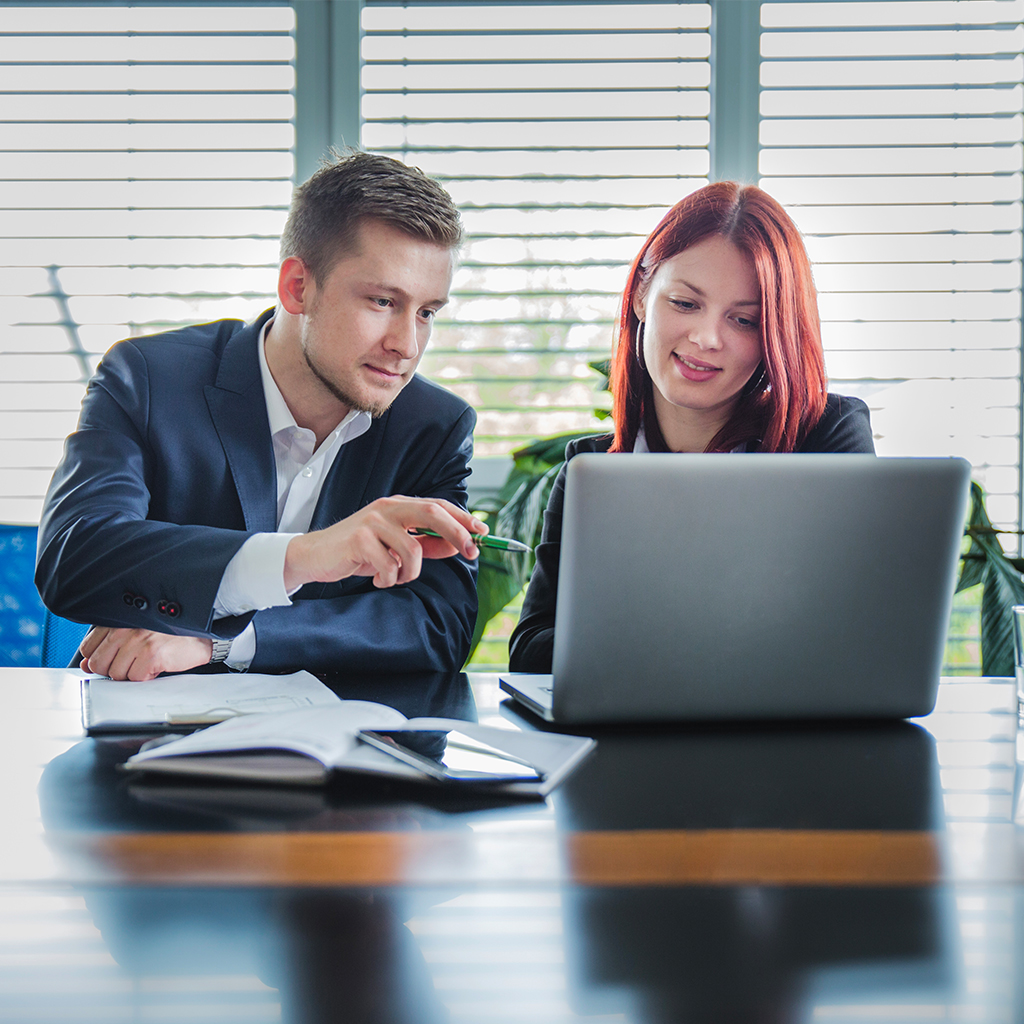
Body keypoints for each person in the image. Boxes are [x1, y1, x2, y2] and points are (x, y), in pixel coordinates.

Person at [36, 151, 487, 681]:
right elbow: (76, 557)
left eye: (427, 312)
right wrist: (302, 557)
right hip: (140, 726)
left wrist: (222, 643)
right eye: (383, 301)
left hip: (337, 745)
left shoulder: (434, 426)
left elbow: (437, 626)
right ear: (297, 287)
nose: (407, 346)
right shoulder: (150, 377)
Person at [508, 181, 876, 673]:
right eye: (684, 303)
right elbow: (531, 651)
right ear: (642, 295)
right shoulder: (590, 469)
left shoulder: (825, 437)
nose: (706, 338)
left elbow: (855, 635)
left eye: (744, 321)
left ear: (774, 334)